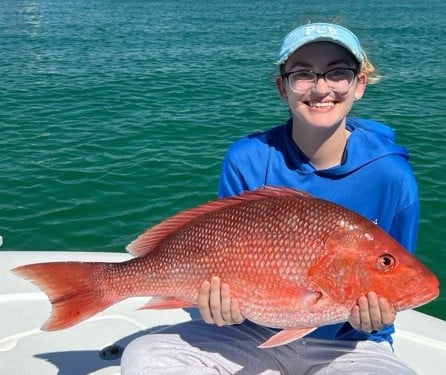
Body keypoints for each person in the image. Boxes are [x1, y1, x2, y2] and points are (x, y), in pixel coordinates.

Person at [121, 22, 419, 374]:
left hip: (351, 345)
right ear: (283, 87)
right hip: (247, 333)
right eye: (303, 74)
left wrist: (374, 319)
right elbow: (218, 245)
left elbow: (397, 268)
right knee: (146, 357)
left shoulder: (392, 176)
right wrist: (220, 309)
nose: (321, 88)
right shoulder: (246, 158)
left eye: (338, 73)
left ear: (359, 84)